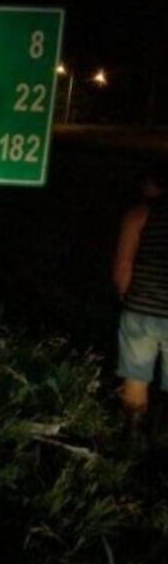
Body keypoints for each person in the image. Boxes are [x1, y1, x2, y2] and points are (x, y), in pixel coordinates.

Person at [112, 169, 168, 433]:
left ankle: (133, 438)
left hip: (141, 311)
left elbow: (124, 264)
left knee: (135, 378)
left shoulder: (138, 215)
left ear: (151, 183)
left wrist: (124, 292)